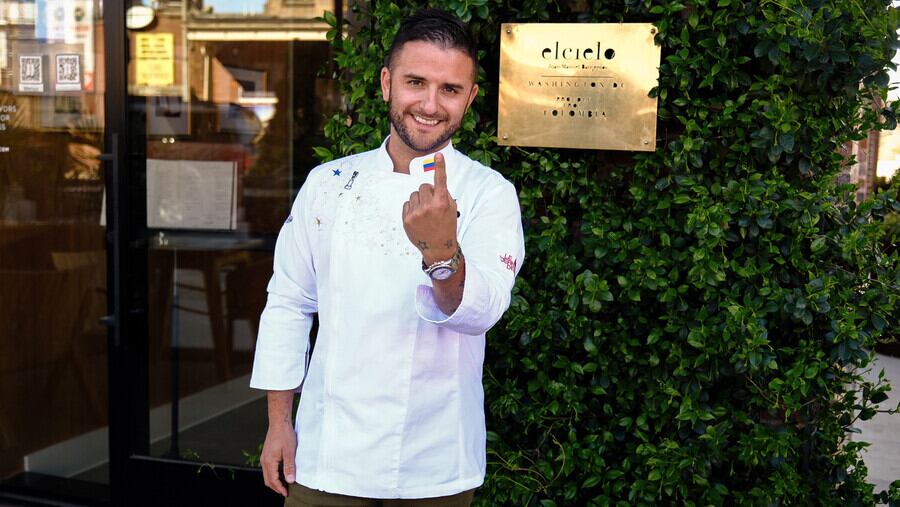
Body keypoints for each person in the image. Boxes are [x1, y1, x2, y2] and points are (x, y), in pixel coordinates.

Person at [250, 8, 525, 506]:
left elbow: (482, 314)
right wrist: (278, 423)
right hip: (329, 455)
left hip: (436, 461)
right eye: (415, 81)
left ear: (470, 99)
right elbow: (289, 302)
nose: (430, 103)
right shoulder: (329, 183)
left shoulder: (490, 194)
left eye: (450, 89)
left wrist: (442, 252)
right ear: (386, 83)